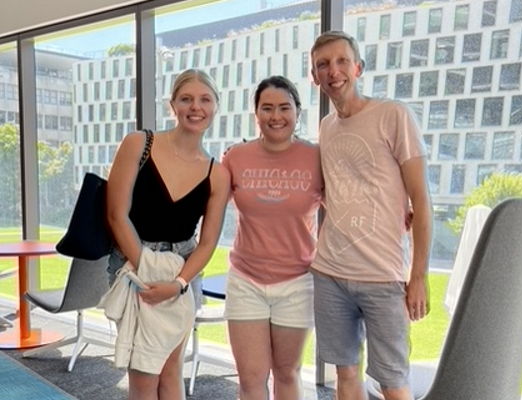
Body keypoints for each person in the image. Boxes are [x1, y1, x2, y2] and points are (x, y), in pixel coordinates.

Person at [309, 31, 433, 400]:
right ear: (315, 77)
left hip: (383, 276)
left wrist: (418, 277)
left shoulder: (393, 115)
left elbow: (422, 200)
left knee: (393, 382)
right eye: (323, 65)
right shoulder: (326, 127)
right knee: (345, 375)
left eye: (341, 61)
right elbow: (337, 191)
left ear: (358, 68)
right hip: (330, 272)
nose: (333, 71)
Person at [105, 68, 230, 400]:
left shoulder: (217, 174)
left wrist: (178, 283)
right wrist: (147, 268)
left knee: (172, 369)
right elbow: (117, 215)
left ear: (216, 106)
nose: (195, 107)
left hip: (182, 271)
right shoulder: (138, 144)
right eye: (186, 99)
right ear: (172, 105)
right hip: (131, 266)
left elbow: (208, 242)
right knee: (144, 375)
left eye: (205, 100)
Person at [221, 75, 324, 400]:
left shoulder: (316, 157)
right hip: (246, 281)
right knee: (251, 378)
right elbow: (207, 204)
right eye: (267, 108)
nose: (275, 115)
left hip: (297, 282)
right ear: (256, 114)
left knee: (287, 372)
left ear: (297, 112)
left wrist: (399, 211)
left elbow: (346, 204)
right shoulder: (236, 157)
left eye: (284, 107)